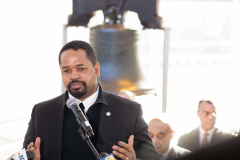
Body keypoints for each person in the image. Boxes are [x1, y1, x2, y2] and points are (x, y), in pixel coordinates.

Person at [23, 40, 159, 160]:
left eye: (81, 68)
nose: (73, 76)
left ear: (97, 69)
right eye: (66, 70)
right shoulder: (41, 112)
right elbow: (25, 155)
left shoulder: (129, 111)